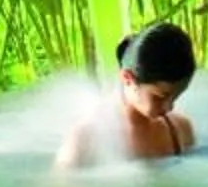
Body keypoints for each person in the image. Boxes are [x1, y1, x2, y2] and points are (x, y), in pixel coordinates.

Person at [56, 22, 199, 166]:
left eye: (177, 96)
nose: (169, 108)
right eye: (159, 97)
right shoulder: (85, 139)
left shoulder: (181, 129)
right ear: (127, 78)